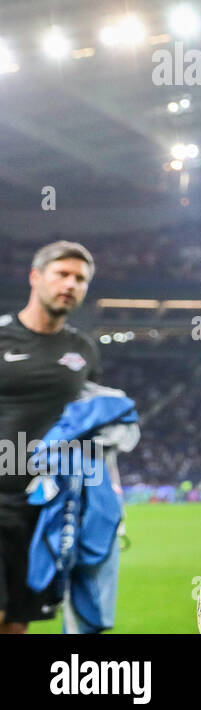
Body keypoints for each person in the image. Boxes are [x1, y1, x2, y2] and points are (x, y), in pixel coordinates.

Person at [0, 241, 100, 633]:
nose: (71, 284)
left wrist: (107, 496)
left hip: (47, 509)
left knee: (17, 624)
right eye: (62, 274)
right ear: (35, 277)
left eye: (80, 279)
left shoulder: (84, 351)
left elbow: (92, 426)